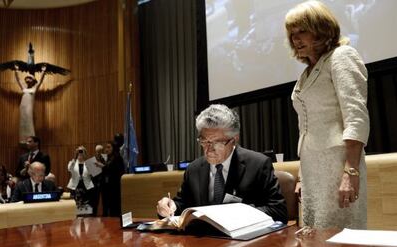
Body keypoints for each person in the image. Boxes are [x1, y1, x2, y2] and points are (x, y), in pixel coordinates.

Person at [284, 1, 370, 228]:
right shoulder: (307, 72)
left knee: (341, 242)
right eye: (292, 33)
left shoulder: (341, 56)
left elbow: (356, 116)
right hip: (313, 168)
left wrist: (350, 172)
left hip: (338, 163)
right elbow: (306, 128)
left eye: (302, 30)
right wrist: (302, 175)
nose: (296, 38)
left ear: (321, 29)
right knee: (315, 239)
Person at [156, 104, 287, 223]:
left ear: (234, 139)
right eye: (204, 142)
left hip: (242, 243)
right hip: (202, 243)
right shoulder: (193, 169)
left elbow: (278, 212)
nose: (209, 149)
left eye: (217, 143)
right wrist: (168, 206)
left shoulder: (258, 164)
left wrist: (235, 213)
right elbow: (182, 206)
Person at [14, 64, 46, 143]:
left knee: (29, 122)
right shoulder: (24, 88)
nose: (28, 79)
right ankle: (23, 139)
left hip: (29, 108)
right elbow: (18, 80)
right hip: (23, 107)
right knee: (23, 123)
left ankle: (31, 139)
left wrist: (43, 71)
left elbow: (41, 81)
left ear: (33, 80)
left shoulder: (34, 88)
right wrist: (16, 70)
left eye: (30, 78)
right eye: (27, 78)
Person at [97, 142, 125, 217]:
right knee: (105, 206)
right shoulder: (106, 158)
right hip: (105, 186)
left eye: (109, 147)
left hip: (114, 186)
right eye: (106, 147)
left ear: (114, 148)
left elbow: (117, 171)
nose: (106, 149)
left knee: (114, 207)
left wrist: (103, 166)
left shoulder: (118, 158)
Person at [67, 146, 95, 214]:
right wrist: (74, 157)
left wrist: (87, 159)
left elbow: (92, 173)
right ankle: (76, 222)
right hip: (75, 186)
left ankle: (87, 221)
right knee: (76, 206)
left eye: (82, 151)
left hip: (87, 187)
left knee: (86, 207)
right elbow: (69, 169)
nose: (80, 153)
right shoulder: (72, 162)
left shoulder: (89, 163)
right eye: (79, 152)